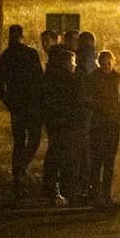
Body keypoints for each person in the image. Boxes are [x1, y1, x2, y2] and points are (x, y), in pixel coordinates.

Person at [0, 25, 44, 200]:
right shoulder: (30, 54)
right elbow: (40, 79)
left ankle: (19, 175)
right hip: (31, 105)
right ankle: (20, 172)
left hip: (18, 106)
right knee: (33, 139)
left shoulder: (5, 57)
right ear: (22, 36)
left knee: (20, 142)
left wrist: (9, 103)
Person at [40, 48, 87, 205]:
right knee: (70, 159)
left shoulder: (50, 78)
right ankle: (69, 192)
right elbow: (77, 102)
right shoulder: (71, 80)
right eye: (73, 62)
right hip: (69, 124)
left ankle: (51, 191)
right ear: (68, 63)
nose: (74, 65)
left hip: (54, 124)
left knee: (54, 157)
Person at [85, 50, 120, 210]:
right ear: (99, 64)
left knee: (109, 161)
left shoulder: (117, 77)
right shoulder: (94, 78)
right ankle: (96, 196)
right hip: (99, 124)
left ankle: (107, 195)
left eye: (109, 64)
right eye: (104, 64)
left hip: (113, 123)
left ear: (113, 63)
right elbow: (89, 98)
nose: (106, 67)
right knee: (97, 161)